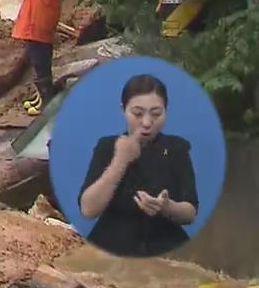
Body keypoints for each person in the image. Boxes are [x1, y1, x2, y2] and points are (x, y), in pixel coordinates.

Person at [78, 74, 198, 257]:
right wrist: (120, 160)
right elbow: (88, 209)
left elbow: (190, 212)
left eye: (156, 114)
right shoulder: (107, 146)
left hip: (166, 246)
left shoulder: (177, 148)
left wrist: (168, 208)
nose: (147, 123)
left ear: (166, 111)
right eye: (137, 114)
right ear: (123, 110)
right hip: (112, 246)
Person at [13, 0, 62, 116]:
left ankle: (46, 101)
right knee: (36, 52)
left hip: (40, 12)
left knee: (39, 53)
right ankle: (42, 95)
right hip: (37, 7)